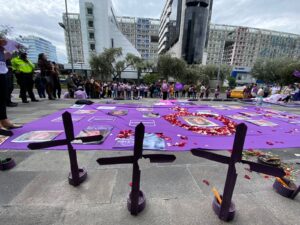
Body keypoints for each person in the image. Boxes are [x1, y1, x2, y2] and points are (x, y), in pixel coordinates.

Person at [0, 36, 21, 131]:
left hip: (2, 71)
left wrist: (8, 53)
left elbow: (4, 58)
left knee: (3, 96)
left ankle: (4, 120)